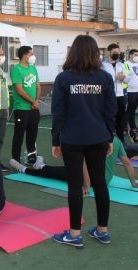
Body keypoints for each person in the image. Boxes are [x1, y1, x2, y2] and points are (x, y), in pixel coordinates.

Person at [51, 35, 117, 248]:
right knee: (99, 183)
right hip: (98, 136)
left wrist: (55, 140)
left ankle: (74, 234)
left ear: (73, 52)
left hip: (72, 138)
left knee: (75, 184)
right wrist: (110, 137)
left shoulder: (64, 78)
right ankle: (102, 231)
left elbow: (58, 112)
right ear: (95, 53)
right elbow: (110, 111)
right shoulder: (105, 78)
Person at [9, 137, 138, 189]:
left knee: (54, 173)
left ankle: (24, 169)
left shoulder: (92, 140)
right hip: (105, 180)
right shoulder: (116, 140)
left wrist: (86, 184)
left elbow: (84, 163)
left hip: (88, 178)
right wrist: (133, 182)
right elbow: (127, 163)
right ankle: (41, 165)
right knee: (63, 169)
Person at [10, 45, 41, 164]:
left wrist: (36, 100)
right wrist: (33, 101)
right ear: (24, 55)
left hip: (34, 108)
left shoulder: (33, 69)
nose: (33, 56)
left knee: (32, 134)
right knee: (19, 135)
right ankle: (16, 159)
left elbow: (38, 86)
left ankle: (31, 157)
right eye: (31, 54)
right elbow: (19, 90)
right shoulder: (16, 69)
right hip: (21, 109)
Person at [102, 43, 127, 143]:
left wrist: (123, 78)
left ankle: (121, 141)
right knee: (110, 118)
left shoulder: (121, 64)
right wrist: (114, 78)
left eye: (119, 53)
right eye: (115, 52)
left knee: (121, 120)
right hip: (109, 96)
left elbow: (126, 79)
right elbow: (102, 80)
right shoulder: (103, 65)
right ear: (109, 52)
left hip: (120, 95)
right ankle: (108, 140)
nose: (117, 54)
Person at [125, 49, 138, 142]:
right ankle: (129, 128)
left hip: (137, 90)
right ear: (130, 55)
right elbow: (125, 77)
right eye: (135, 54)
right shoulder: (126, 64)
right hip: (130, 91)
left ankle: (133, 127)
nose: (136, 56)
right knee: (130, 110)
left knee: (133, 109)